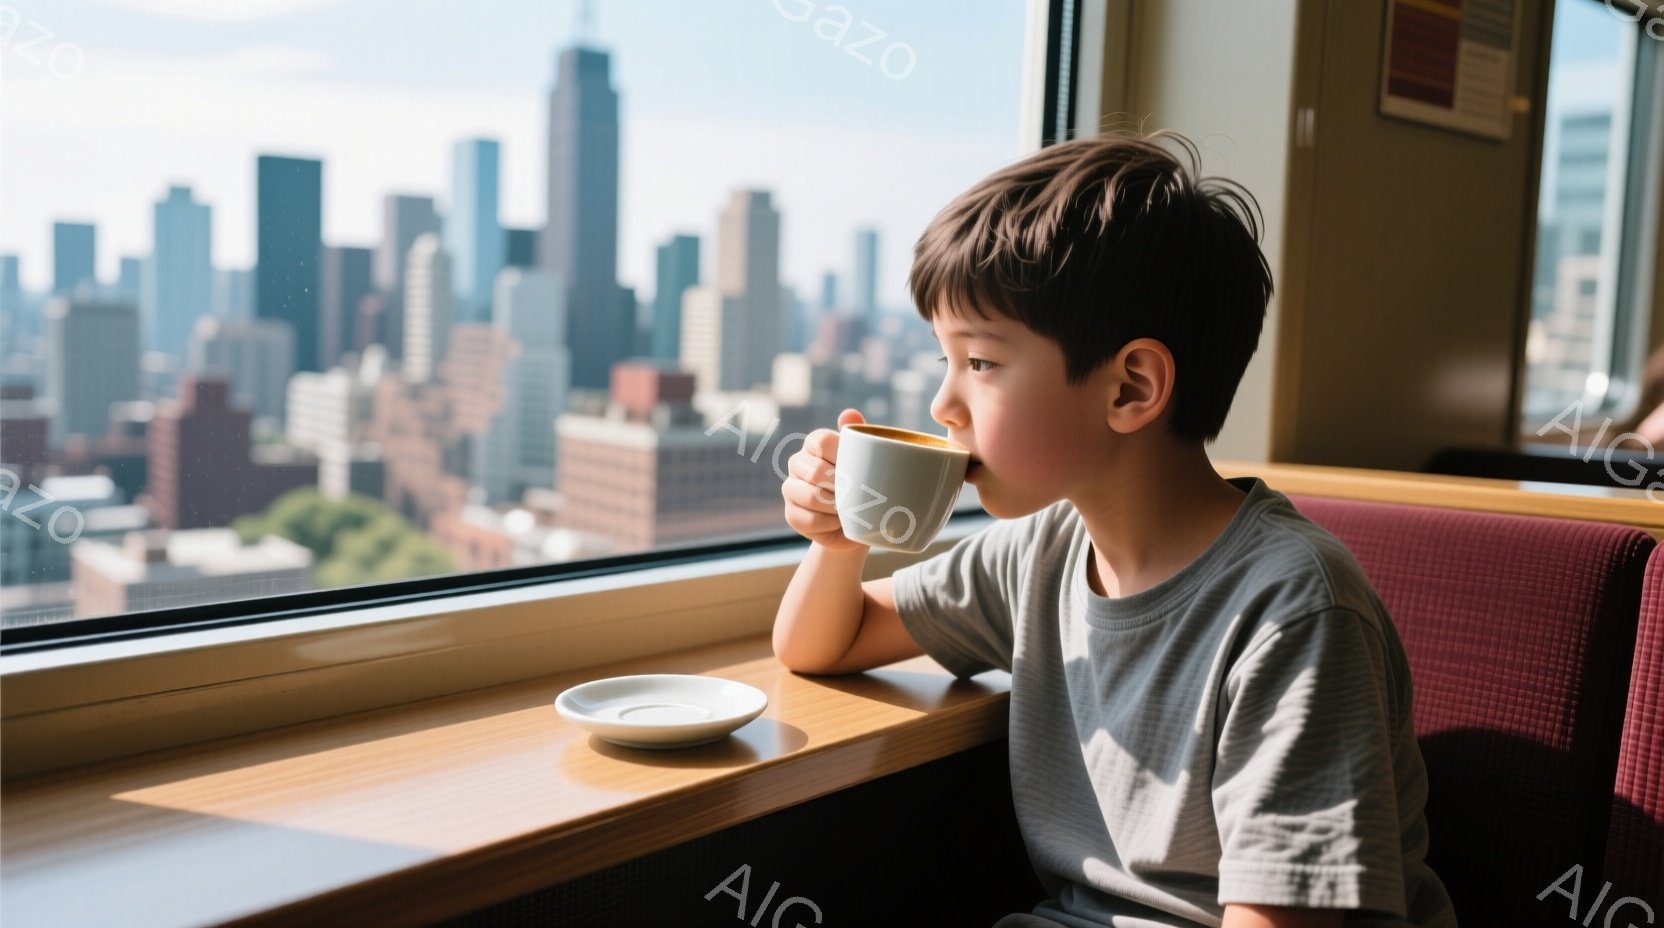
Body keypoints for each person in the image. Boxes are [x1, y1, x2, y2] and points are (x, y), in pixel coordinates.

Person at [773, 130, 1457, 928]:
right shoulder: (1045, 550)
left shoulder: (1293, 609)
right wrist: (840, 541)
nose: (942, 407)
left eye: (982, 364)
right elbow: (824, 642)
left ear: (1131, 388)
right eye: (942, 362)